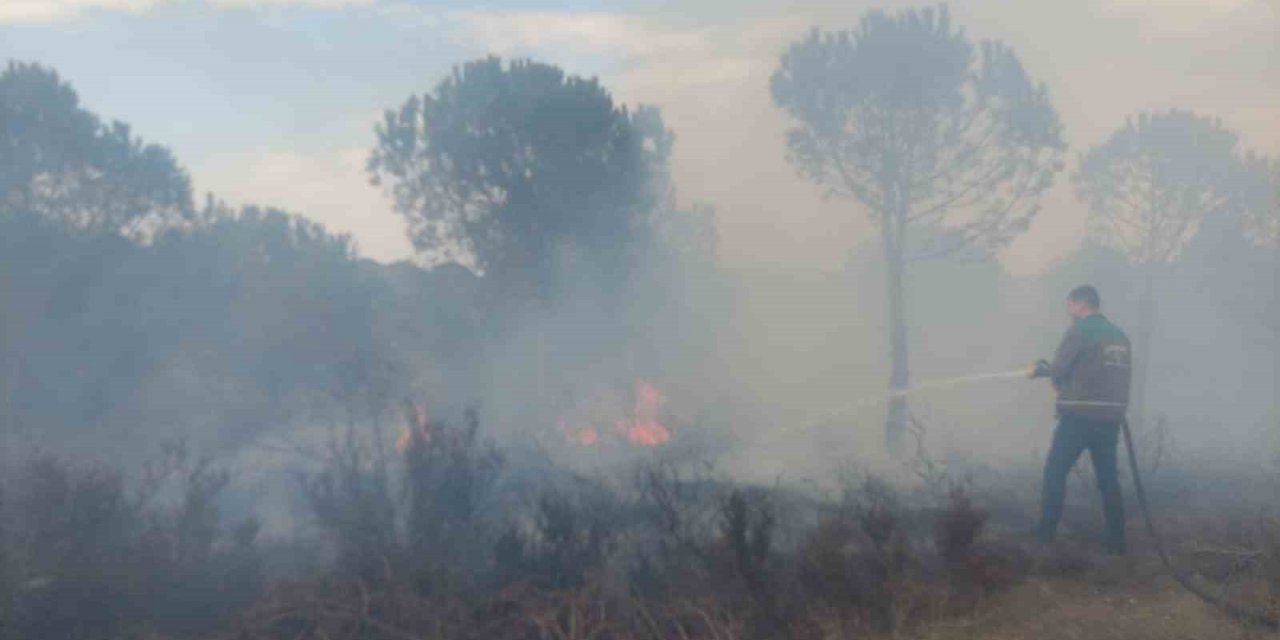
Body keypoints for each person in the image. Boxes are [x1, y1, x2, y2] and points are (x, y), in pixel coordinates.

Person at [1029, 285, 1132, 554]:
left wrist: (1045, 371)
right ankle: (1117, 540)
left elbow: (1061, 369)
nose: (1069, 312)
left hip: (1078, 417)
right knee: (1108, 479)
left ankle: (1045, 533)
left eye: (1070, 306)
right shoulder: (1119, 335)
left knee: (1055, 471)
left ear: (1079, 304)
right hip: (1109, 419)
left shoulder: (1079, 331)